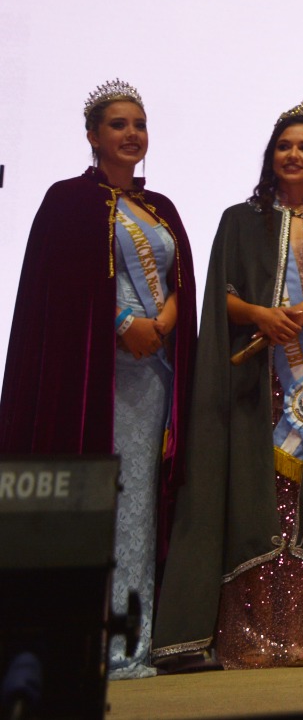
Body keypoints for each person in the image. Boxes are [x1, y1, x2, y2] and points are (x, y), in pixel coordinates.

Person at [153, 101, 303, 668]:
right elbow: (222, 297)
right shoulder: (240, 220)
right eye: (284, 146)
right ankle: (249, 634)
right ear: (271, 155)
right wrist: (259, 316)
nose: (293, 155)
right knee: (254, 501)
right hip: (254, 390)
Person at [1, 80, 196, 679]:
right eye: (118, 124)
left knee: (137, 509)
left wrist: (163, 319)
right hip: (92, 377)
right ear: (92, 136)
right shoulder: (67, 201)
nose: (132, 133)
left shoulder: (159, 207)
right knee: (95, 508)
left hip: (152, 378)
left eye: (139, 123)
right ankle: (83, 643)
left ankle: (129, 644)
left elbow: (180, 283)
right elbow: (57, 290)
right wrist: (120, 323)